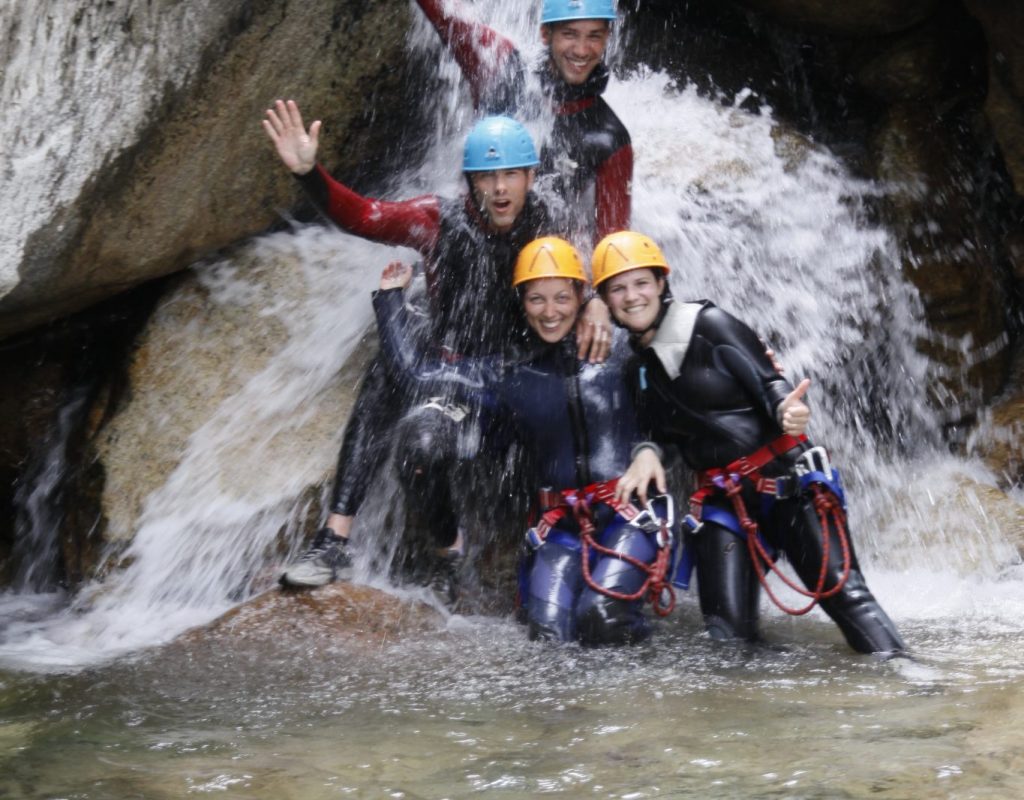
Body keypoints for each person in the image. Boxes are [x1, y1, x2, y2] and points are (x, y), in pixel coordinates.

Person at [263, 105, 612, 588]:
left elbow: (577, 275)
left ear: (532, 176)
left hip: (514, 378)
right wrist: (309, 173)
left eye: (511, 174)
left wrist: (593, 299)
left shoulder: (548, 223)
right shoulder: (437, 219)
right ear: (470, 181)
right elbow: (366, 216)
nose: (500, 189)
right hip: (451, 373)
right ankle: (342, 539)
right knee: (403, 406)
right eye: (486, 177)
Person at [596, 231, 907, 656]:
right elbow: (666, 438)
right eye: (618, 288)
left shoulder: (709, 325)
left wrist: (787, 411)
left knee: (846, 597)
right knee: (728, 636)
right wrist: (649, 453)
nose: (632, 296)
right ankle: (758, 716)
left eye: (641, 283)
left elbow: (771, 384)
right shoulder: (637, 370)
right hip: (723, 501)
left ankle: (912, 685)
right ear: (606, 301)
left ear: (661, 283)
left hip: (785, 484)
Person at [373, 238, 674, 644]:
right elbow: (416, 375)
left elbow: (679, 394)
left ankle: (637, 702)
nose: (551, 313)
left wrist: (650, 451)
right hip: (561, 525)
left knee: (603, 618)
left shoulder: (622, 348)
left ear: (581, 296)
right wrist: (390, 299)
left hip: (629, 515)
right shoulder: (509, 374)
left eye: (562, 298)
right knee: (547, 635)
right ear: (522, 302)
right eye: (537, 299)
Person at [414, 0, 631, 242]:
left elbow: (613, 248)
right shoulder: (500, 65)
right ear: (545, 34)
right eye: (569, 34)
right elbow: (445, 13)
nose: (581, 50)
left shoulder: (609, 139)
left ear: (607, 38)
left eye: (594, 36)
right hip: (467, 239)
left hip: (538, 259)